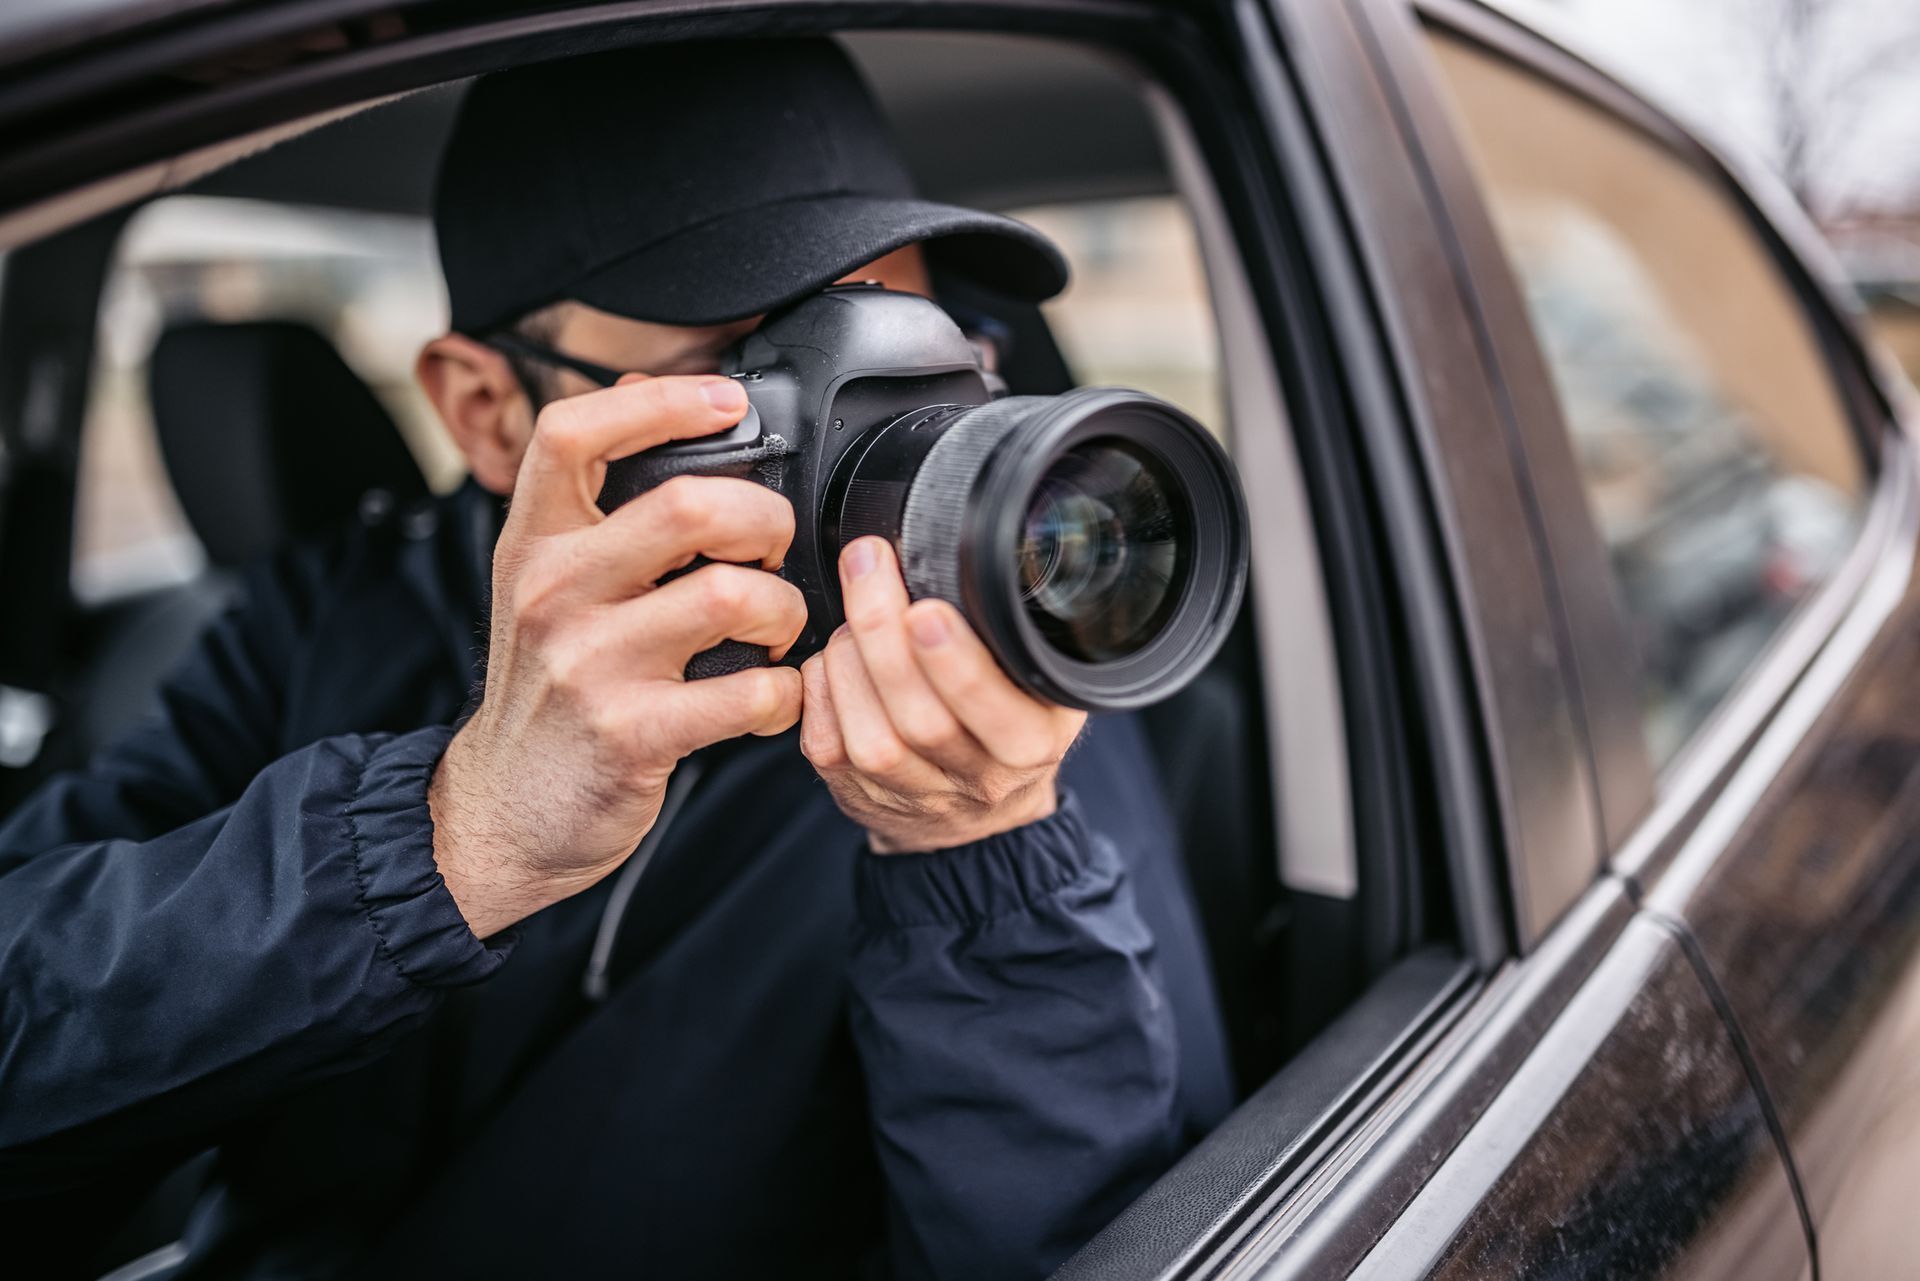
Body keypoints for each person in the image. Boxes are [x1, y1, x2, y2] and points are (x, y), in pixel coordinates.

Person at [0, 38, 1231, 1281]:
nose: (874, 406)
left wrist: (981, 852)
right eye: (757, 369)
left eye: (917, 335)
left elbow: (1106, 1244)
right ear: (487, 410)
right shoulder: (329, 617)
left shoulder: (988, 702)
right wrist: (447, 839)